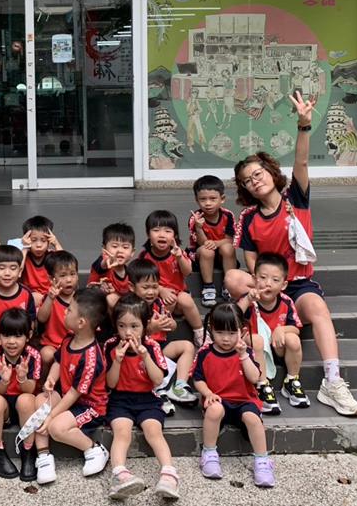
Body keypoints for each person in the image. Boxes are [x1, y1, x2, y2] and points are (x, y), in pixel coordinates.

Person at [225, 91, 357, 417]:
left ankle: (332, 382)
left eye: (258, 174)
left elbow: (301, 162)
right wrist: (263, 287)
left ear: (271, 173)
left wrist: (303, 125)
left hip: (297, 284)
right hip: (265, 286)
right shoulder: (249, 218)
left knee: (318, 308)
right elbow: (250, 261)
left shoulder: (295, 200)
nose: (254, 181)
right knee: (232, 277)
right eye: (247, 181)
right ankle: (267, 331)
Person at [30, 288, 111, 486]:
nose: (65, 311)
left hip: (89, 405)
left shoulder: (91, 357)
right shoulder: (69, 338)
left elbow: (75, 394)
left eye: (70, 310)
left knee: (56, 427)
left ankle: (94, 449)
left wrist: (51, 416)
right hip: (68, 397)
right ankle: (43, 456)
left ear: (81, 322)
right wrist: (51, 378)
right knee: (40, 400)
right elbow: (59, 361)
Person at [103, 295, 180, 500]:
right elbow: (111, 383)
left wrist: (145, 356)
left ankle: (169, 475)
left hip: (147, 398)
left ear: (145, 326)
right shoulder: (111, 346)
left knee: (154, 432)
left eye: (134, 326)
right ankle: (119, 474)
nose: (128, 332)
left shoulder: (152, 346)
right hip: (120, 399)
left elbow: (157, 380)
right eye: (122, 326)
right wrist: (117, 361)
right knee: (122, 433)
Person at [192, 303, 275, 488]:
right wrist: (207, 393)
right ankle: (209, 453)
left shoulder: (247, 352)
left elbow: (255, 377)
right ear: (211, 329)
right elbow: (198, 379)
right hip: (218, 399)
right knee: (214, 411)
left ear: (242, 331)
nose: (226, 338)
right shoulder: (205, 353)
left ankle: (262, 460)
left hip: (244, 400)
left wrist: (243, 355)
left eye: (231, 333)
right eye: (220, 332)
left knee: (253, 418)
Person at [238, 253, 309, 409]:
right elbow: (233, 318)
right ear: (254, 279)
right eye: (263, 278)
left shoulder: (286, 302)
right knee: (257, 340)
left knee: (293, 339)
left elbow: (296, 328)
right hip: (254, 351)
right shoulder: (248, 299)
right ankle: (262, 384)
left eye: (275, 280)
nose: (268, 283)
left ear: (283, 285)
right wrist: (247, 300)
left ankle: (292, 380)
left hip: (278, 348)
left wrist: (280, 329)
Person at [127, 259, 197, 408]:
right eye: (145, 287)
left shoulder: (158, 303)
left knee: (187, 346)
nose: (151, 292)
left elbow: (173, 325)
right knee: (149, 358)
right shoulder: (130, 307)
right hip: (140, 350)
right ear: (132, 287)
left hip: (160, 347)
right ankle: (158, 391)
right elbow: (127, 334)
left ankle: (180, 386)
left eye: (154, 287)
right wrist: (150, 329)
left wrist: (170, 324)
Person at [0, 308, 41, 480]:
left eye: (17, 336)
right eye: (6, 335)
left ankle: (28, 450)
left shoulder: (32, 356)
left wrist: (22, 378)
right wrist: (4, 381)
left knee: (26, 399)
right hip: (4, 410)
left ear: (28, 336)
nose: (11, 342)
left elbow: (30, 389)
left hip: (25, 409)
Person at [138, 210, 204, 345]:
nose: (162, 234)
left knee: (185, 299)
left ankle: (200, 332)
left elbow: (187, 272)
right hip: (155, 297)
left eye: (168, 231)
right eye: (156, 230)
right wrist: (161, 290)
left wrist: (179, 258)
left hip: (178, 296)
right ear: (148, 234)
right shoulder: (145, 256)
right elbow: (142, 279)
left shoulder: (177, 253)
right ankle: (159, 331)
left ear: (175, 235)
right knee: (168, 300)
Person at [187, 175, 237, 307]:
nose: (208, 203)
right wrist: (198, 228)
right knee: (206, 251)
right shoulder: (195, 218)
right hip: (202, 255)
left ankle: (229, 285)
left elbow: (230, 240)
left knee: (228, 248)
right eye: (203, 199)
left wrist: (215, 243)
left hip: (221, 254)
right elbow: (201, 243)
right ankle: (208, 287)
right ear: (196, 200)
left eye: (213, 199)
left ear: (222, 199)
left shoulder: (228, 216)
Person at [0, 244, 37, 353]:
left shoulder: (26, 293)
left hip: (19, 336)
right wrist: (3, 336)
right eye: (1, 268)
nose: (7, 273)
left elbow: (31, 320)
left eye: (13, 268)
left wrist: (21, 337)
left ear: (20, 271)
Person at [36, 251, 79, 371]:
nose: (69, 279)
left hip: (75, 343)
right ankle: (45, 380)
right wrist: (50, 298)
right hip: (53, 344)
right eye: (63, 275)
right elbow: (41, 318)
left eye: (72, 274)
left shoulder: (81, 298)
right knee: (46, 355)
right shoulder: (50, 298)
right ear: (51, 279)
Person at [16, 215, 64, 307]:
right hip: (29, 297)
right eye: (33, 240)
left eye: (43, 240)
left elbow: (65, 264)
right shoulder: (24, 255)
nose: (38, 245)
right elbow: (17, 271)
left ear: (49, 241)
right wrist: (25, 247)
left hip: (51, 296)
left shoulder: (52, 255)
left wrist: (56, 244)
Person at [88, 223, 137, 309]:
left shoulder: (131, 273)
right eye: (115, 246)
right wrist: (106, 260)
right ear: (104, 249)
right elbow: (103, 265)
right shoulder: (102, 265)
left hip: (120, 312)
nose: (120, 250)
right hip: (94, 308)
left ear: (132, 252)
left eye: (125, 247)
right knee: (111, 298)